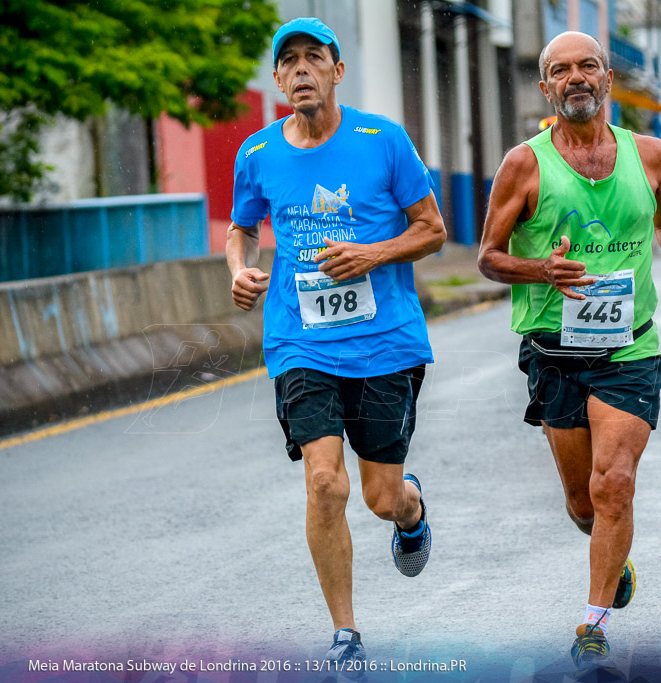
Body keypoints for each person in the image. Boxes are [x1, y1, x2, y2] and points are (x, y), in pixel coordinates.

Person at [477, 31, 661, 669]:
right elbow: (488, 258)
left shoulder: (651, 155)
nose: (576, 77)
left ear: (607, 79)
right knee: (583, 503)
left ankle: (592, 624)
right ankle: (614, 561)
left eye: (588, 66)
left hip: (629, 347)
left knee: (615, 484)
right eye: (561, 70)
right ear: (546, 86)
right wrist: (542, 273)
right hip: (554, 351)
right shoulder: (524, 165)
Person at [226, 17, 445, 670]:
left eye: (312, 58)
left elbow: (432, 229)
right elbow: (241, 229)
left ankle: (410, 511)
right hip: (300, 342)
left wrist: (371, 253)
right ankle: (346, 631)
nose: (300, 70)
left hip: (386, 345)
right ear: (275, 78)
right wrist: (239, 269)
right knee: (324, 483)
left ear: (336, 71)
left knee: (379, 496)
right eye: (287, 61)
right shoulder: (257, 153)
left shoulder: (384, 141)